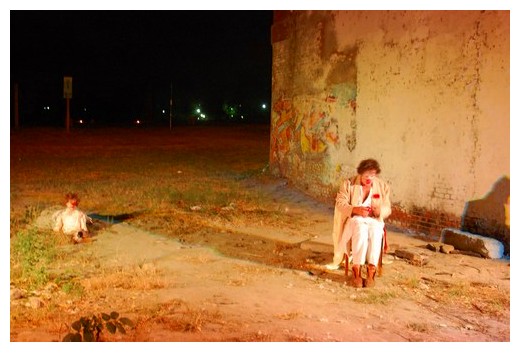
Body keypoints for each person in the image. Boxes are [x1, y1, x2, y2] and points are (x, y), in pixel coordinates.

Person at [327, 159, 391, 288]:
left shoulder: (382, 186)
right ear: (360, 174)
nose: (369, 179)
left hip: (374, 219)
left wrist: (379, 211)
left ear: (376, 174)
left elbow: (387, 208)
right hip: (355, 218)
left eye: (372, 175)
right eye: (366, 176)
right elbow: (340, 203)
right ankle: (356, 269)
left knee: (376, 230)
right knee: (360, 230)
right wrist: (356, 209)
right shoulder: (348, 184)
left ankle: (371, 270)